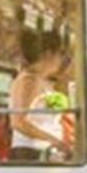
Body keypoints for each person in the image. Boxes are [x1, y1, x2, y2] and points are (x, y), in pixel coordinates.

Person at [9, 31, 75, 161]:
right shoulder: (28, 81)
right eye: (60, 54)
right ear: (49, 54)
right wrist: (55, 141)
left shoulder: (42, 81)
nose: (61, 60)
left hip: (42, 150)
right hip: (31, 151)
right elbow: (18, 122)